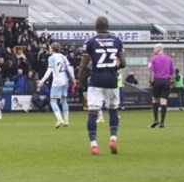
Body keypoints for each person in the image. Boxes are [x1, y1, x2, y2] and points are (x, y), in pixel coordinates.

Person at [77, 16, 125, 156]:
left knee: (92, 112)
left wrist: (82, 85)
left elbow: (83, 66)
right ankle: (113, 138)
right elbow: (123, 63)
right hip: (111, 80)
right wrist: (114, 69)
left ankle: (94, 145)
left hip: (96, 80)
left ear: (95, 27)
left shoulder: (90, 42)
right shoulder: (117, 40)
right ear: (108, 26)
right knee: (113, 109)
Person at [37, 42, 75, 129]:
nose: (49, 49)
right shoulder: (63, 57)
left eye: (50, 48)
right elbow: (69, 68)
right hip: (65, 81)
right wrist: (73, 78)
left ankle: (59, 119)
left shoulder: (51, 58)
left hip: (57, 81)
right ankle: (66, 120)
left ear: (53, 49)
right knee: (64, 101)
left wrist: (42, 80)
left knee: (53, 101)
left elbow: (49, 70)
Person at [147, 44, 175, 129]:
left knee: (155, 99)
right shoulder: (169, 59)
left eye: (154, 48)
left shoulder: (153, 59)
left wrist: (150, 81)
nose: (153, 50)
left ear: (158, 49)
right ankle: (162, 122)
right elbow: (173, 72)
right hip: (166, 81)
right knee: (164, 101)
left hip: (157, 81)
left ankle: (155, 119)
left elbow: (151, 72)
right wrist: (171, 82)